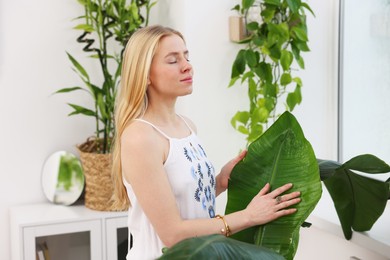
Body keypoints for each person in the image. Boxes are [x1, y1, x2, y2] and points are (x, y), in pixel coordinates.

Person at [111, 25, 301, 260]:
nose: (187, 65)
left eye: (186, 56)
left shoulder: (186, 125)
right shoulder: (140, 137)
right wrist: (248, 216)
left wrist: (221, 180)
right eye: (173, 60)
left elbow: (186, 200)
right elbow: (172, 233)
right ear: (145, 74)